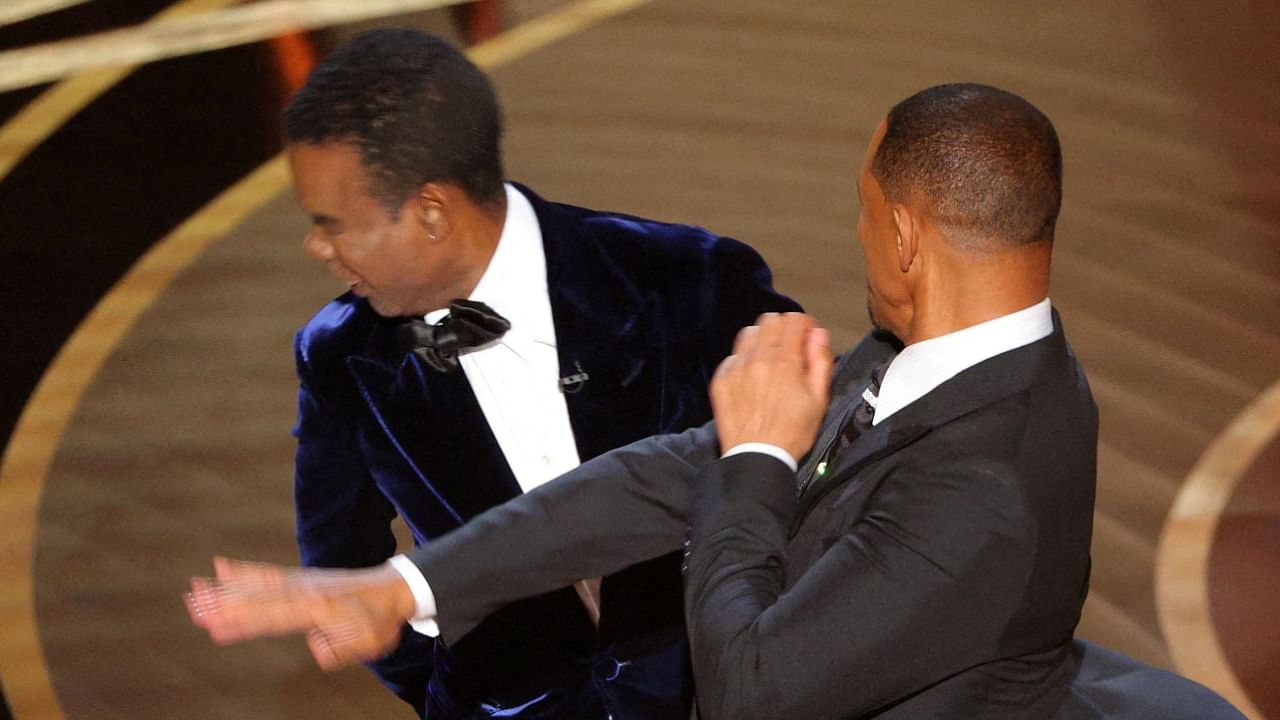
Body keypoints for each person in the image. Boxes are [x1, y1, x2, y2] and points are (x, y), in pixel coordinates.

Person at [188, 84, 1243, 719]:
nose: (861, 238)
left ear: (910, 237)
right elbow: (670, 471)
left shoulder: (987, 484)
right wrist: (410, 584)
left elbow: (749, 693)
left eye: (867, 214)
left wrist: (753, 465)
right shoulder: (933, 352)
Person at [268, 26, 798, 720]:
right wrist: (449, 692)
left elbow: (821, 475)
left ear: (430, 210)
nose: (317, 248)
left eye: (332, 223)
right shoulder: (340, 356)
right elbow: (341, 565)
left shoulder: (690, 279)